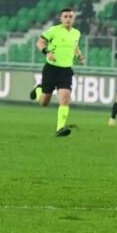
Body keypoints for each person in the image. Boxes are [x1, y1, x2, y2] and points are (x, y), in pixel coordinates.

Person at [28, 8, 86, 137]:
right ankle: (38, 90)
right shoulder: (53, 30)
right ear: (61, 18)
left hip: (66, 71)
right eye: (65, 16)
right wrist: (47, 52)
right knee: (44, 102)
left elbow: (75, 46)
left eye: (70, 17)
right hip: (51, 69)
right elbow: (40, 42)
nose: (68, 19)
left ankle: (60, 128)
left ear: (73, 19)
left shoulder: (76, 33)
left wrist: (80, 56)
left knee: (65, 98)